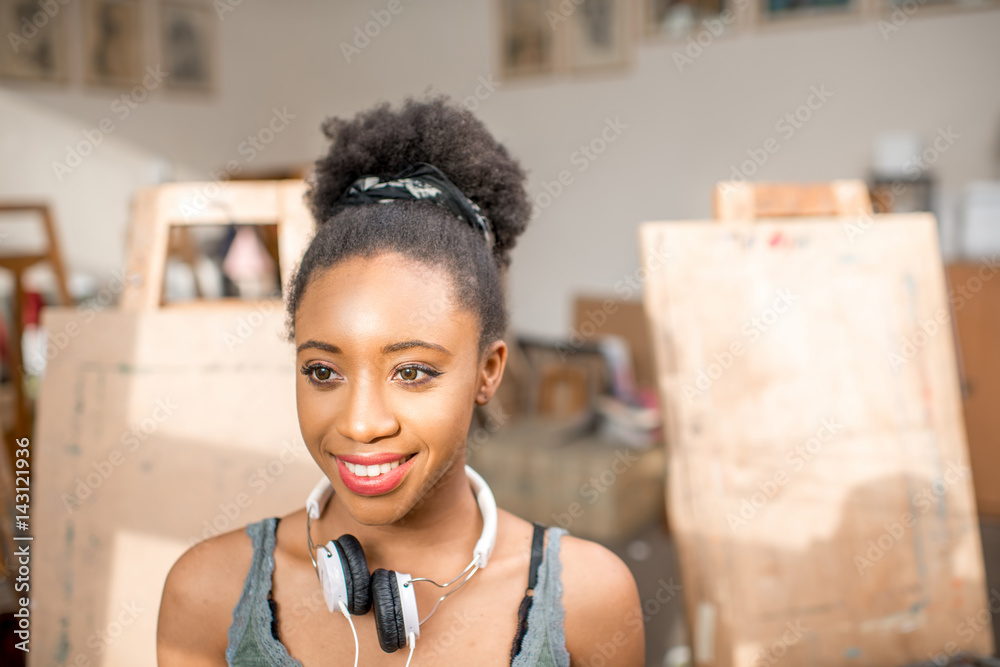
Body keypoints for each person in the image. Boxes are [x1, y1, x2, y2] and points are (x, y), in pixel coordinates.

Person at [157, 96, 644, 666]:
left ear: (488, 372)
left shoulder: (590, 601)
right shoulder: (208, 594)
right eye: (322, 371)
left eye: (411, 372)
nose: (361, 423)